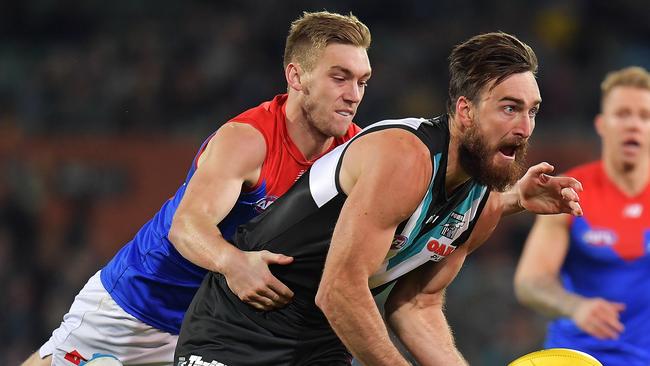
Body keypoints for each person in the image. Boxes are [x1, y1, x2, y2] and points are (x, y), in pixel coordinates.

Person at [175, 31, 584, 366]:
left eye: (532, 111)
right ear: (465, 111)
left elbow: (417, 306)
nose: (524, 127)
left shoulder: (485, 203)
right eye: (509, 108)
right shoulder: (405, 156)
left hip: (321, 345)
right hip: (236, 334)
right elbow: (339, 289)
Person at [23, 11, 372, 366]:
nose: (353, 95)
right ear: (296, 76)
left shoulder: (357, 152)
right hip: (140, 308)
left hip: (224, 329)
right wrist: (235, 264)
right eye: (340, 78)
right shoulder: (248, 140)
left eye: (362, 81)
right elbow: (186, 226)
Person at [514, 66, 650, 366]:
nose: (633, 125)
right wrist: (574, 306)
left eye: (644, 116)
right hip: (580, 358)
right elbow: (530, 282)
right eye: (623, 114)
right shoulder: (570, 191)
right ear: (602, 125)